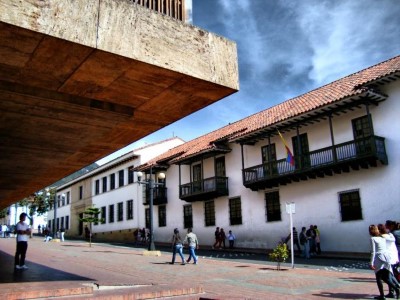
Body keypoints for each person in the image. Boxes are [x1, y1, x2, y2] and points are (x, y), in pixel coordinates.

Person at [369, 224, 400, 300]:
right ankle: (396, 288)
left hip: (378, 258)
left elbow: (373, 251)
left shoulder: (373, 239)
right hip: (386, 257)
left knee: (378, 277)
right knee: (386, 277)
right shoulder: (382, 237)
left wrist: (371, 262)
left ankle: (382, 295)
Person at [380, 223, 400, 298]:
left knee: (387, 275)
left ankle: (395, 289)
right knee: (393, 273)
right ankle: (395, 289)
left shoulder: (385, 236)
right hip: (395, 256)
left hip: (389, 257)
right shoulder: (391, 236)